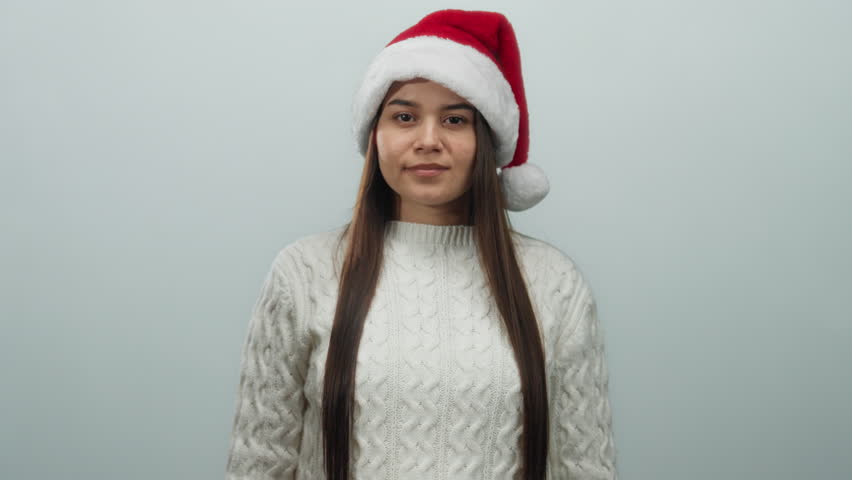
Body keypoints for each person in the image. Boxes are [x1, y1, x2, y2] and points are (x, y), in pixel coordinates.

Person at [225, 8, 618, 480]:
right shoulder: (304, 273)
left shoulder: (553, 284)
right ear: (374, 136)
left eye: (455, 120)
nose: (428, 140)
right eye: (405, 116)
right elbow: (258, 465)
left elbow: (586, 468)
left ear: (486, 140)